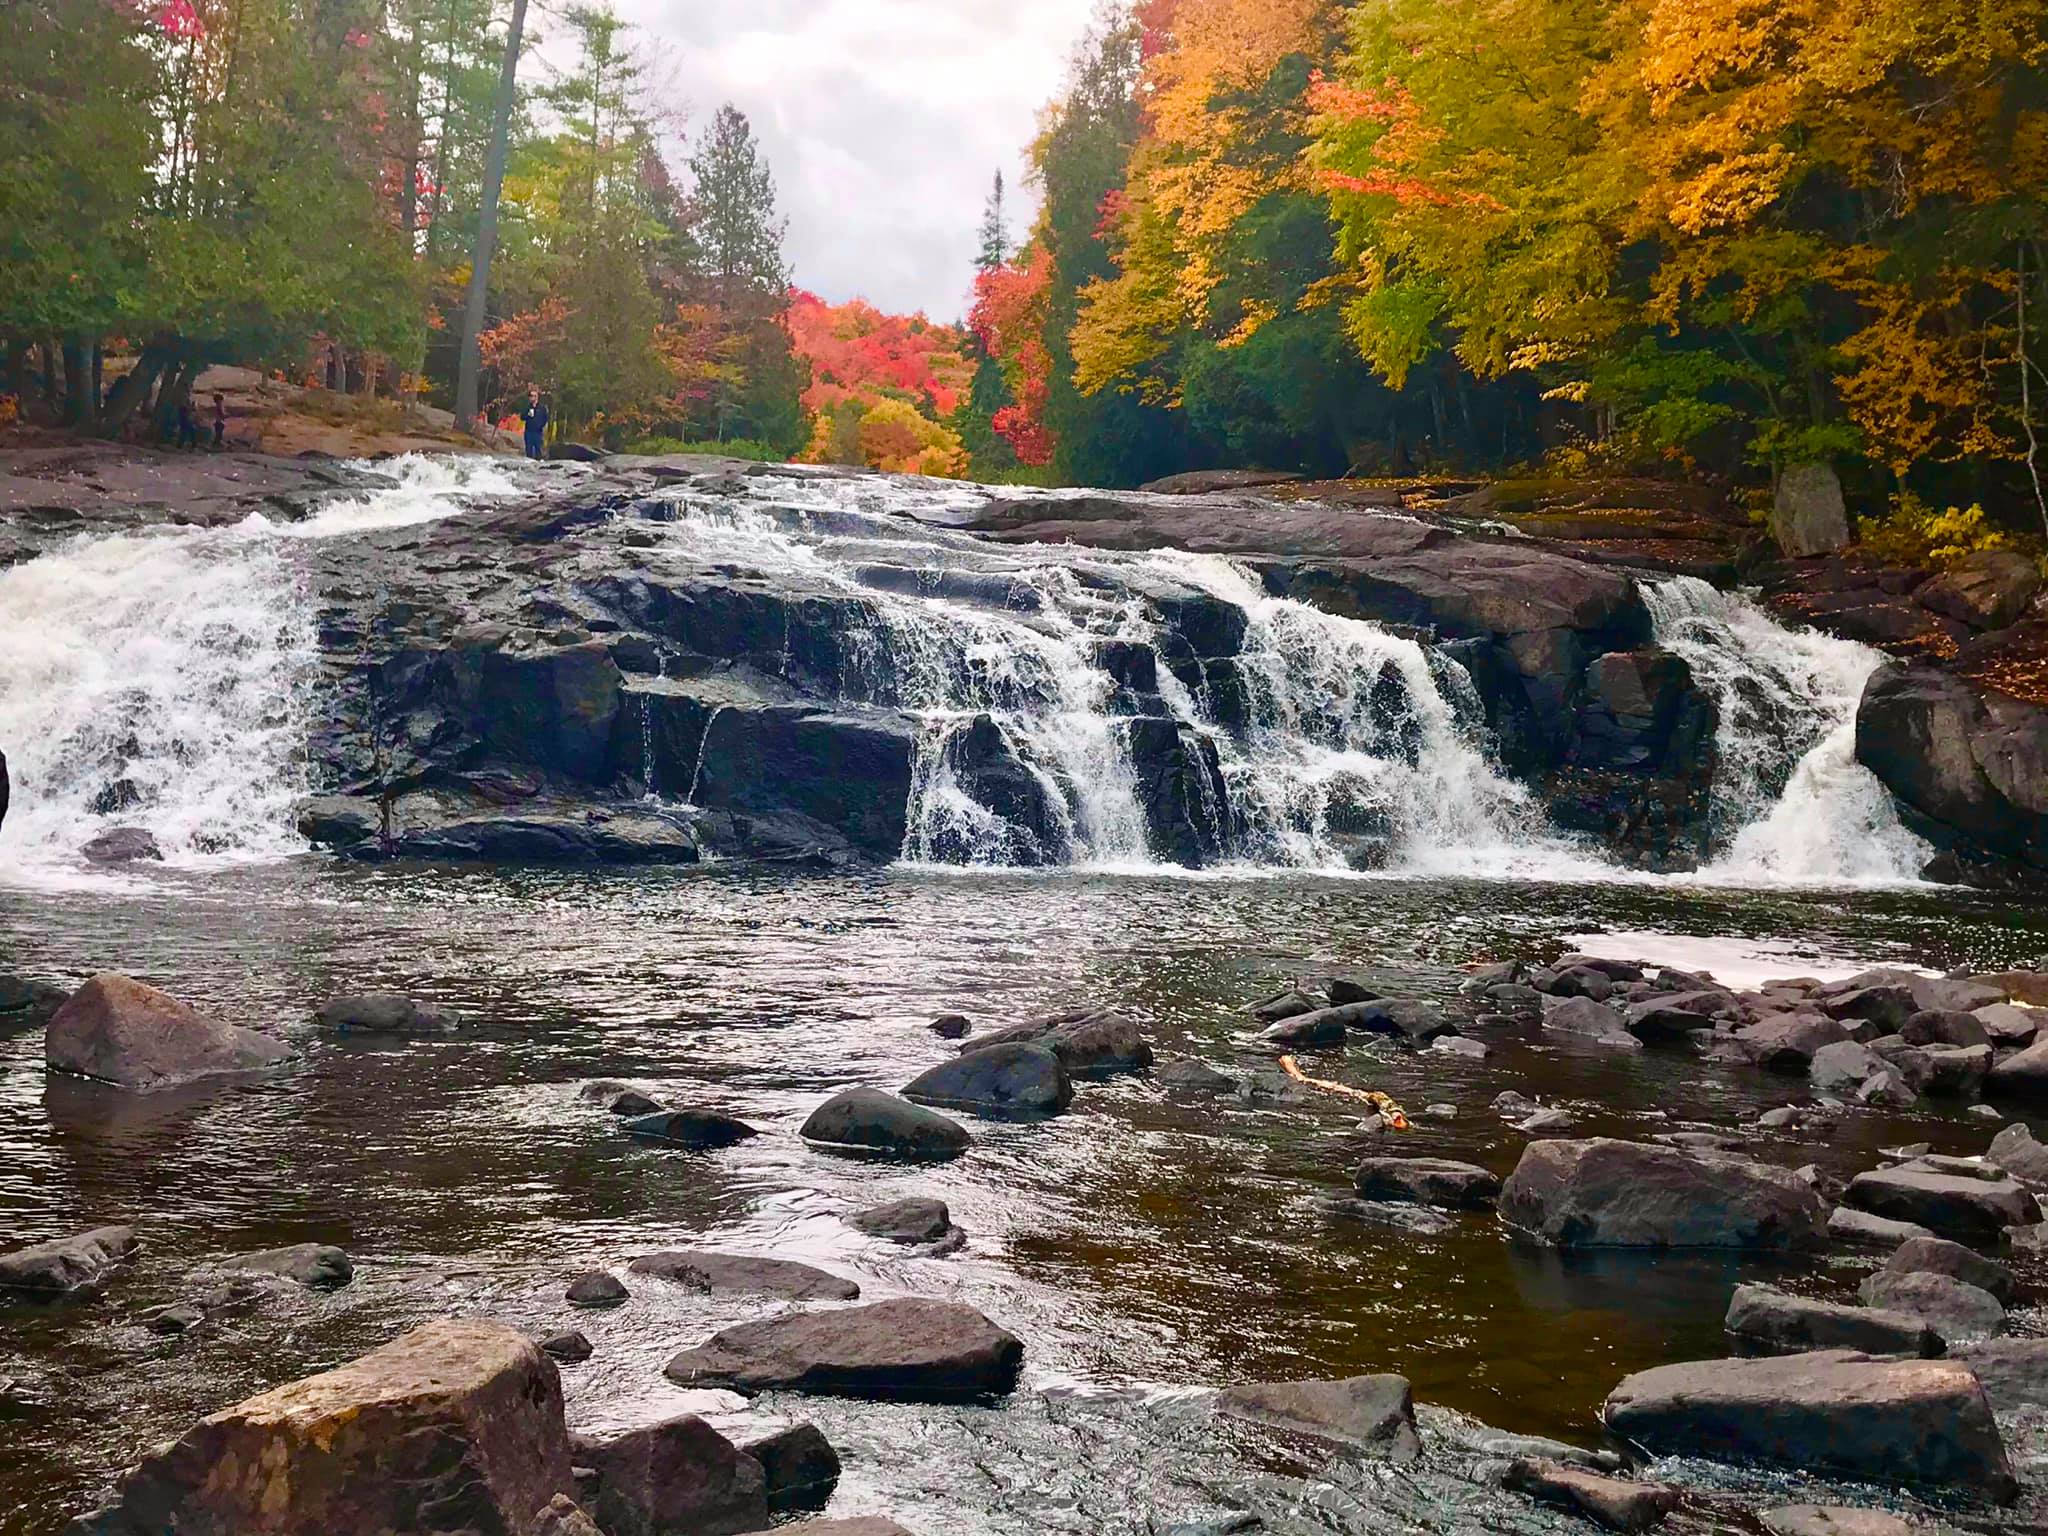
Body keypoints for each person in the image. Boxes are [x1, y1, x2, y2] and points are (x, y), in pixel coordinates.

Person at [520, 385, 549, 460]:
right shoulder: (527, 407)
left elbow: (545, 418)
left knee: (538, 451)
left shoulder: (542, 408)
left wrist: (540, 426)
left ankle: (538, 466)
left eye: (533, 396)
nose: (531, 397)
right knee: (528, 450)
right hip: (528, 432)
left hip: (538, 432)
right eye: (530, 396)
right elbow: (522, 417)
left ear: (537, 397)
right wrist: (527, 414)